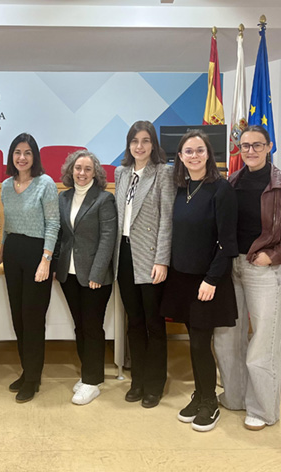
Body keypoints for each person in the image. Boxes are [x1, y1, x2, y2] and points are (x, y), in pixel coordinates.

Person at [213, 125, 281, 431]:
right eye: (245, 146)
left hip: (263, 268)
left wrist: (274, 255)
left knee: (262, 343)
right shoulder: (232, 182)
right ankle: (235, 397)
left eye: (257, 145)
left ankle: (263, 410)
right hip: (232, 267)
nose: (250, 150)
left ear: (269, 146)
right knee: (227, 339)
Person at [160, 130, 237, 432]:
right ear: (179, 157)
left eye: (200, 150)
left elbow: (227, 242)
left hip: (207, 282)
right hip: (183, 279)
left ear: (209, 154)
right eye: (188, 151)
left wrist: (212, 279)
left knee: (201, 344)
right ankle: (201, 393)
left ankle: (210, 403)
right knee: (194, 343)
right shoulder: (181, 188)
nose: (194, 156)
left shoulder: (221, 189)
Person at [0, 133, 59, 403]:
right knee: (18, 317)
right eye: (17, 152)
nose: (22, 157)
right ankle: (27, 370)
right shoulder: (7, 186)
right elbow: (7, 225)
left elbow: (53, 224)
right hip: (14, 253)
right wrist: (0, 255)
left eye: (27, 152)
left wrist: (46, 259)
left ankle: (33, 378)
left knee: (33, 319)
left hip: (36, 254)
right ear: (12, 156)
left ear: (35, 156)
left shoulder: (46, 183)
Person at [113, 121, 175, 408]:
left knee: (153, 323)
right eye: (135, 141)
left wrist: (162, 260)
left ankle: (155, 383)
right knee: (134, 321)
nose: (139, 146)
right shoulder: (121, 173)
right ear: (128, 145)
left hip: (150, 258)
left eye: (145, 140)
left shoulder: (163, 172)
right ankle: (137, 379)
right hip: (124, 255)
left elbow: (167, 220)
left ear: (153, 144)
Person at [54, 150, 117, 405]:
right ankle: (89, 374)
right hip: (68, 274)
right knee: (79, 326)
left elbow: (108, 238)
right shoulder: (63, 197)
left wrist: (97, 273)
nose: (82, 173)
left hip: (94, 276)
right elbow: (61, 234)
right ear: (71, 170)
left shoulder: (104, 199)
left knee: (92, 328)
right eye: (78, 168)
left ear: (95, 173)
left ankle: (92, 382)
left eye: (87, 169)